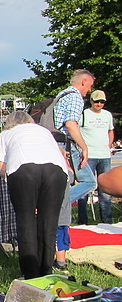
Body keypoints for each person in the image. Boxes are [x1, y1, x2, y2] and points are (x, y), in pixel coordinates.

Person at [0, 111, 68, 279]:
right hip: (56, 170)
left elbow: (1, 165)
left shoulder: (6, 134)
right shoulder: (43, 131)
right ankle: (46, 271)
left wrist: (8, 180)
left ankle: (30, 273)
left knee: (26, 221)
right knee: (49, 223)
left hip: (23, 168)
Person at [53, 69, 95, 205]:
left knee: (65, 181)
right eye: (90, 85)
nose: (89, 90)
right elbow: (71, 124)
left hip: (56, 143)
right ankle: (54, 205)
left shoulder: (62, 94)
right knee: (89, 181)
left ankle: (54, 207)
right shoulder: (75, 97)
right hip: (67, 143)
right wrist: (84, 147)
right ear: (83, 81)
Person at [76, 89, 115, 224]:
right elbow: (76, 131)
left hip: (104, 156)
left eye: (102, 102)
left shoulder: (107, 115)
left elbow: (111, 131)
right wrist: (82, 148)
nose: (99, 104)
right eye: (97, 101)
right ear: (91, 101)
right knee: (85, 187)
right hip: (89, 156)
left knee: (105, 189)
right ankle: (82, 220)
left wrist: (109, 146)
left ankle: (107, 220)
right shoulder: (84, 114)